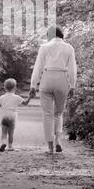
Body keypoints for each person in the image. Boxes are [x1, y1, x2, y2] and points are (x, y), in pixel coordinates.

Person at [29, 26, 77, 154]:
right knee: (58, 113)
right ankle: (58, 141)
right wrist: (72, 85)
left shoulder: (44, 47)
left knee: (48, 114)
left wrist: (33, 85)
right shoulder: (69, 48)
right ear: (62, 35)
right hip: (62, 79)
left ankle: (50, 147)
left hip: (47, 78)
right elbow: (72, 69)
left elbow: (38, 67)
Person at [0, 78, 31, 152]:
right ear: (15, 87)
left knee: (4, 131)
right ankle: (10, 146)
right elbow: (25, 103)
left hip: (4, 116)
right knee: (11, 133)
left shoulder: (2, 97)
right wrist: (30, 97)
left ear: (5, 88)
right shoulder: (17, 97)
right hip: (12, 116)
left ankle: (3, 143)